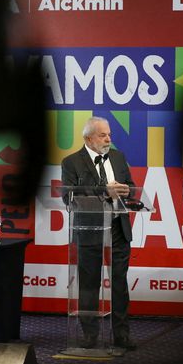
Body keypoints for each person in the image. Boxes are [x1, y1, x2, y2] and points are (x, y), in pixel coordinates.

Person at [61, 116, 136, 350]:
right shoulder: (71, 162)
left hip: (117, 228)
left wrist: (126, 191)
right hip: (89, 230)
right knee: (89, 285)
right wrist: (104, 190)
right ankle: (90, 335)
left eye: (109, 134)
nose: (108, 139)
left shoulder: (118, 157)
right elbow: (68, 196)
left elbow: (132, 187)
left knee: (119, 284)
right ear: (88, 138)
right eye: (103, 135)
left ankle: (121, 335)